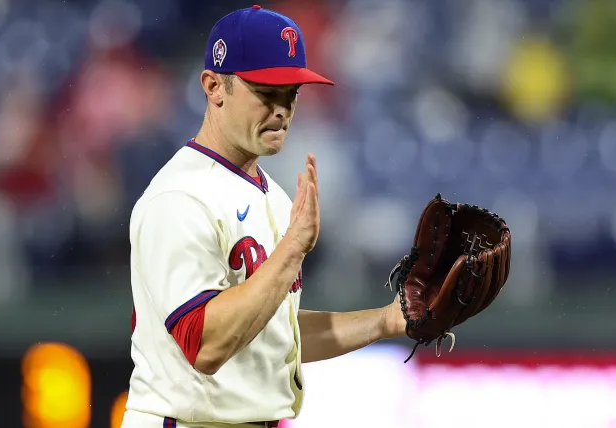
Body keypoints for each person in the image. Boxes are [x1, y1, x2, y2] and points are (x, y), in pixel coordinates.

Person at [121, 5, 408, 428]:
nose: (282, 109)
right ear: (214, 87)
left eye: (290, 93)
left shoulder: (271, 195)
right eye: (265, 92)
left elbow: (273, 337)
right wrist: (292, 250)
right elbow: (205, 346)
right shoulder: (180, 197)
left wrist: (385, 320)